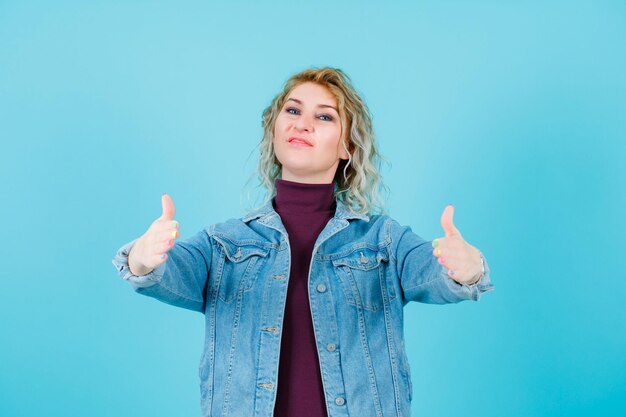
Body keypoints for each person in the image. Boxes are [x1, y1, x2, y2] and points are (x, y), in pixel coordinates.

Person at [112, 67, 494, 417]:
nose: (303, 124)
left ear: (347, 147)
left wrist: (466, 266)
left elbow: (431, 270)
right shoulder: (223, 243)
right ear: (274, 129)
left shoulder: (384, 241)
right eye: (293, 111)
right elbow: (173, 270)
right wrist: (144, 259)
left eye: (324, 116)